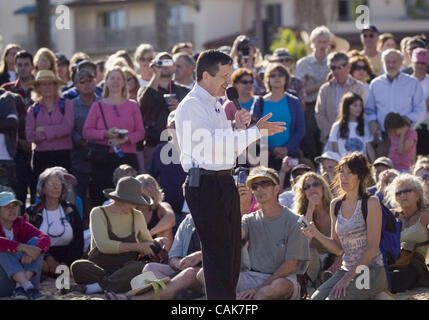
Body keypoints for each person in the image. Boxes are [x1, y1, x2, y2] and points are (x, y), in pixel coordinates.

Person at [175, 49, 286, 300]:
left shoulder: (216, 105)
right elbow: (213, 146)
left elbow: (227, 148)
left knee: (231, 256)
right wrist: (255, 132)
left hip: (224, 181)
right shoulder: (192, 106)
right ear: (206, 75)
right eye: (224, 75)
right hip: (204, 184)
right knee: (218, 257)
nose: (229, 82)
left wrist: (238, 128)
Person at [301, 152, 388, 300]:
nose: (344, 177)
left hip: (371, 271)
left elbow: (373, 248)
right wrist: (315, 233)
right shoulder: (336, 204)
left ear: (360, 176)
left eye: (350, 173)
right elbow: (339, 249)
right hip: (346, 270)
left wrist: (347, 279)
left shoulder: (371, 202)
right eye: (341, 172)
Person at [70, 177, 156, 294]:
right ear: (119, 199)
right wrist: (137, 247)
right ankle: (115, 283)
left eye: (136, 202)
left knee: (140, 267)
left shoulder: (137, 215)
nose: (134, 206)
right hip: (99, 267)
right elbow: (103, 245)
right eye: (131, 202)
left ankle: (97, 287)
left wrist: (154, 245)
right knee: (77, 267)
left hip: (125, 268)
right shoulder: (98, 212)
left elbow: (147, 242)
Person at [236, 166, 310, 300]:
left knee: (275, 288)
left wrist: (258, 289)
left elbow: (291, 264)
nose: (259, 189)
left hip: (282, 278)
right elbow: (231, 240)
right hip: (252, 276)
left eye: (265, 183)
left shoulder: (296, 220)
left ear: (277, 189)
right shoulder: (248, 218)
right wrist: (242, 208)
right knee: (203, 275)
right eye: (255, 186)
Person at [83, 66, 145, 206]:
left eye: (119, 79)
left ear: (124, 83)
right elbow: (86, 131)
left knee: (129, 198)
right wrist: (105, 134)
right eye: (112, 78)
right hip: (103, 160)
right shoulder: (97, 106)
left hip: (127, 158)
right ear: (106, 82)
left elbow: (141, 132)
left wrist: (125, 139)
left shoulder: (133, 105)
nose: (115, 82)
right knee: (103, 198)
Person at [105, 213, 203, 300]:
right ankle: (172, 293)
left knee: (190, 273)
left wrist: (199, 255)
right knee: (150, 267)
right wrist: (178, 263)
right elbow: (173, 255)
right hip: (182, 273)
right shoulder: (188, 221)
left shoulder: (217, 218)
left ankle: (134, 298)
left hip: (206, 275)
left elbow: (218, 256)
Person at [365, 49, 426, 157]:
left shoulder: (412, 83)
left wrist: (406, 120)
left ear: (401, 63)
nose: (391, 65)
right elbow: (369, 110)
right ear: (383, 63)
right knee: (383, 171)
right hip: (383, 136)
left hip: (406, 136)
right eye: (388, 62)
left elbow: (420, 109)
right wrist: (373, 121)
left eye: (394, 61)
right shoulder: (375, 84)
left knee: (405, 170)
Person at [25, 167, 83, 277]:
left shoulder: (70, 210)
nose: (56, 186)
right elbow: (28, 239)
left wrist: (65, 263)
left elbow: (78, 241)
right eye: (51, 183)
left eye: (59, 183)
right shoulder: (32, 212)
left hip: (68, 258)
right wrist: (48, 258)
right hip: (42, 257)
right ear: (42, 187)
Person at [137, 51, 190, 171]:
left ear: (174, 66)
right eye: (161, 62)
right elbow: (145, 104)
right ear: (154, 65)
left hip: (178, 146)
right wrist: (156, 74)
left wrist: (178, 110)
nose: (165, 65)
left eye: (168, 62)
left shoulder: (184, 91)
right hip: (152, 145)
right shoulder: (145, 90)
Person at [251, 63, 306, 171]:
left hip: (290, 156)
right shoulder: (259, 102)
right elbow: (253, 129)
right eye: (273, 75)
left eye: (280, 75)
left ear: (286, 78)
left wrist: (287, 148)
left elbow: (301, 130)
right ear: (267, 79)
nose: (277, 77)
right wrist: (272, 149)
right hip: (264, 157)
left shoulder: (294, 101)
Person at [292, 172, 340, 292]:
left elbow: (345, 242)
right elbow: (304, 239)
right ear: (303, 193)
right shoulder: (301, 215)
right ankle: (311, 284)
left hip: (335, 257)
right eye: (307, 187)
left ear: (323, 188)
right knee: (309, 249)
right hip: (312, 261)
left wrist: (340, 260)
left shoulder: (336, 208)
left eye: (315, 184)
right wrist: (310, 208)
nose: (312, 189)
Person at [1, 50, 36, 212]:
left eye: (26, 64)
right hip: (18, 152)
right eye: (19, 65)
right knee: (19, 195)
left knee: (39, 194)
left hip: (39, 149)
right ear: (14, 67)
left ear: (32, 66)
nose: (23, 68)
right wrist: (20, 142)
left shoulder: (42, 88)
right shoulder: (7, 90)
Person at [0, 192, 50, 300]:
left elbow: (45, 238)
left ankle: (22, 286)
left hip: (29, 283)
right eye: (7, 207)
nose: (12, 210)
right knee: (2, 247)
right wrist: (22, 247)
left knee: (36, 242)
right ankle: (26, 286)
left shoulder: (20, 223)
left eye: (14, 206)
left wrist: (34, 251)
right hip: (3, 282)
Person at [25, 70, 74, 179]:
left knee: (64, 191)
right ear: (38, 87)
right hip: (41, 157)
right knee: (41, 191)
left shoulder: (66, 105)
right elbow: (30, 136)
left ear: (55, 86)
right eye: (43, 84)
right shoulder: (33, 110)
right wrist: (56, 131)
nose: (47, 87)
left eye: (50, 83)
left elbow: (67, 128)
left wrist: (43, 130)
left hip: (62, 155)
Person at [385, 174, 429, 293]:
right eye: (398, 193)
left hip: (415, 267)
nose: (402, 195)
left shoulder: (426, 216)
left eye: (407, 191)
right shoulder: (391, 216)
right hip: (390, 262)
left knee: (392, 279)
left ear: (418, 194)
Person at [315, 52, 368, 148]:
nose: (336, 71)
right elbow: (319, 114)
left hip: (354, 138)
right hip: (329, 138)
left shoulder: (360, 87)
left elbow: (363, 112)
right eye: (333, 68)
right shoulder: (325, 88)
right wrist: (332, 132)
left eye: (339, 67)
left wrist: (349, 131)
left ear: (348, 67)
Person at [295, 25, 332, 160]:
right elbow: (301, 90)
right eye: (319, 41)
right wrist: (324, 83)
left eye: (324, 41)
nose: (321, 45)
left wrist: (312, 85)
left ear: (329, 43)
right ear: (313, 42)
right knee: (310, 140)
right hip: (310, 106)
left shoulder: (333, 62)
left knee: (328, 138)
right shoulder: (303, 63)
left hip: (329, 106)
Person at [147, 110, 187, 232]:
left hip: (193, 214)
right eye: (174, 126)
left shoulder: (199, 150)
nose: (177, 129)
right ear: (168, 128)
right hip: (166, 214)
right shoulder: (160, 151)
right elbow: (149, 180)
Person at [70, 68, 100, 216]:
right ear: (76, 85)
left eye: (90, 80)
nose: (87, 84)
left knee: (99, 198)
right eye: (82, 81)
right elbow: (69, 128)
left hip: (101, 159)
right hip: (79, 159)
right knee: (79, 198)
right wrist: (79, 140)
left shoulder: (103, 102)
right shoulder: (71, 105)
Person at [327, 92, 375, 162]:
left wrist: (374, 164)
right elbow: (335, 151)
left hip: (361, 165)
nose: (358, 108)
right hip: (344, 165)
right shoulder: (337, 126)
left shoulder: (364, 125)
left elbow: (369, 147)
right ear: (346, 107)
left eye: (360, 105)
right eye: (355, 105)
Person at [135, 174, 175, 251]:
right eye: (141, 196)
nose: (144, 200)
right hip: (136, 245)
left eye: (147, 197)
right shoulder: (130, 207)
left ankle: (162, 259)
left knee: (166, 229)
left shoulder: (161, 207)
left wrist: (149, 233)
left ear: (154, 195)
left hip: (156, 246)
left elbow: (171, 219)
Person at [411, 48, 429, 156]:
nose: (420, 66)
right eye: (418, 62)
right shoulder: (406, 82)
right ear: (412, 62)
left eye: (423, 63)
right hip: (410, 129)